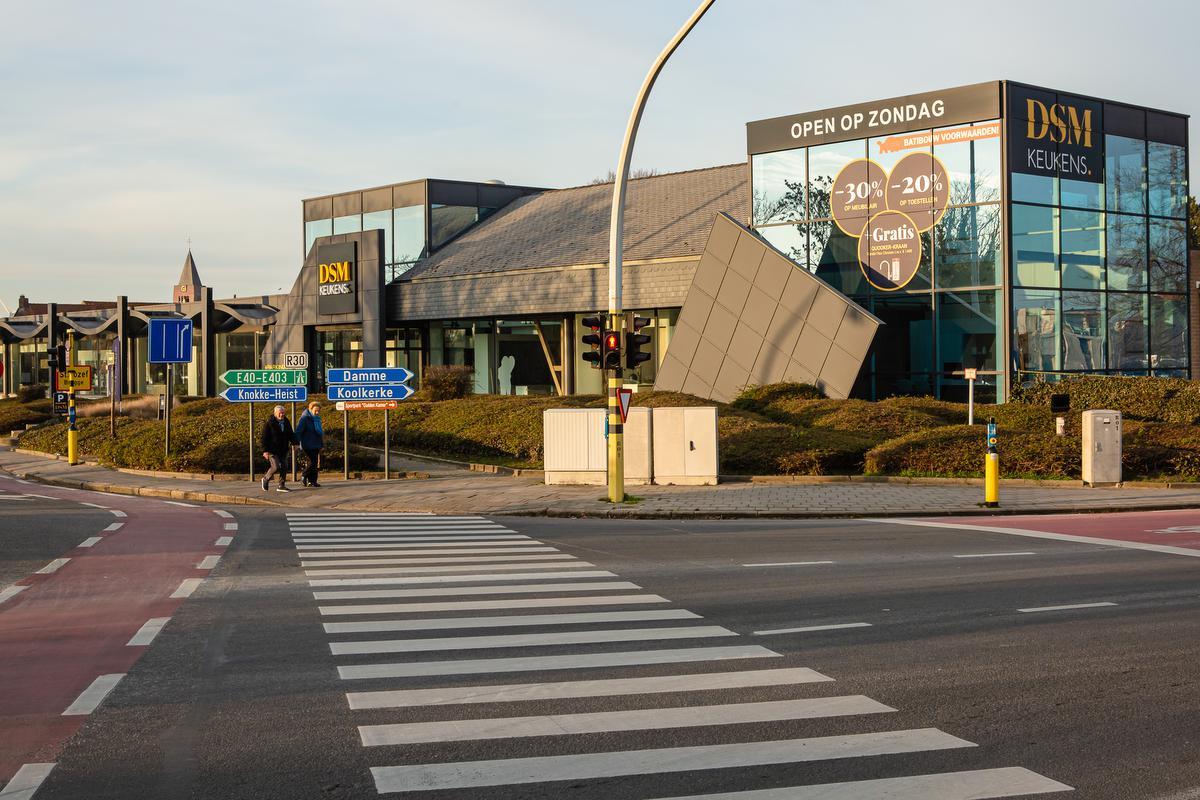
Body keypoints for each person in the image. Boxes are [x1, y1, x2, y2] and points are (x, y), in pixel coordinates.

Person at [260, 404, 297, 492]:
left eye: (283, 413)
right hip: (272, 450)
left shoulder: (286, 421)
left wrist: (295, 443)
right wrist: (265, 451)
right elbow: (264, 437)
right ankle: (265, 478)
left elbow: (290, 434)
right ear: (275, 413)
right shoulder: (269, 423)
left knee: (284, 466)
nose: (282, 415)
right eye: (280, 413)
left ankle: (281, 485)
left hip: (283, 449)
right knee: (275, 467)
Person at [294, 401, 325, 488]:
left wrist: (322, 445)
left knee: (314, 464)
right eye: (315, 410)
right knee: (312, 462)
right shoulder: (305, 419)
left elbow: (320, 433)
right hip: (307, 444)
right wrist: (296, 443)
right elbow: (298, 432)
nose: (317, 412)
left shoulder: (317, 419)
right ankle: (304, 475)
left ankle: (313, 481)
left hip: (316, 444)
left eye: (318, 411)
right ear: (310, 409)